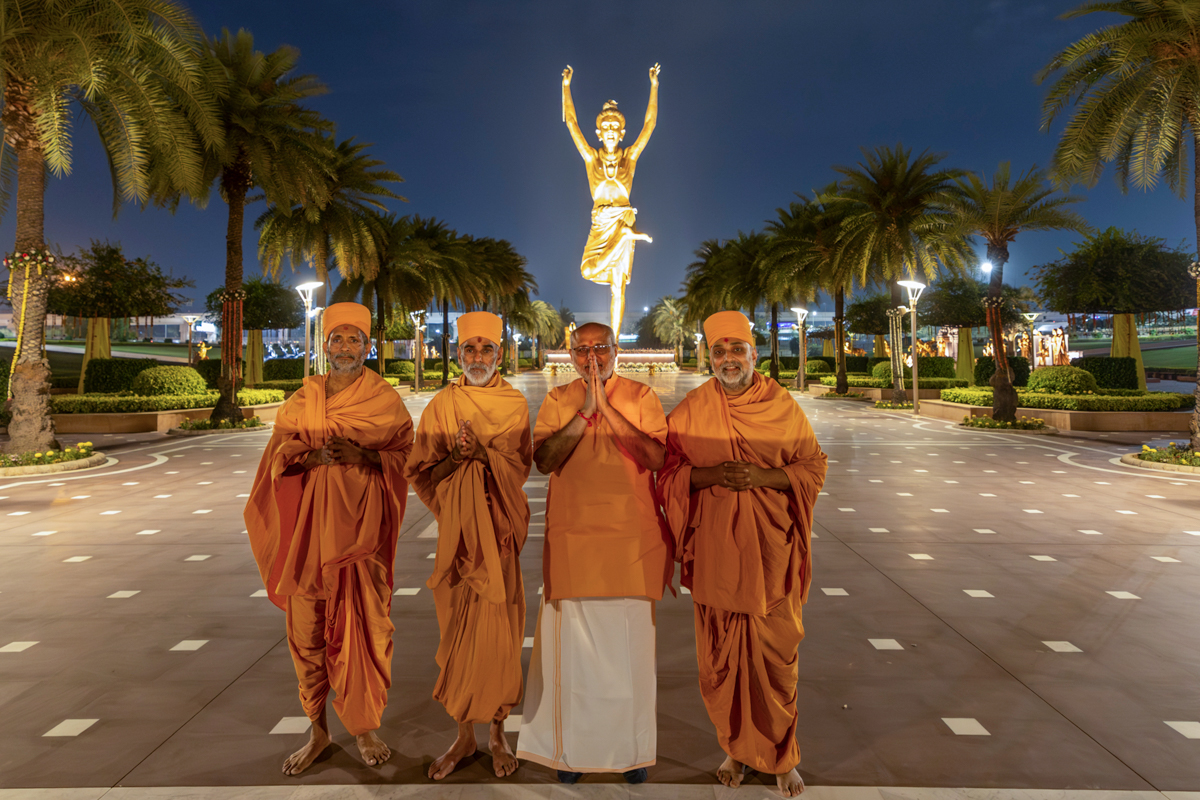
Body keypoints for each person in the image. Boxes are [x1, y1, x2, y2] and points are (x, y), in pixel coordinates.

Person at [657, 310, 827, 798]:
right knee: (722, 660)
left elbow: (813, 466)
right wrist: (710, 477)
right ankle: (735, 749)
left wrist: (762, 478)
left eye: (737, 350)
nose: (728, 359)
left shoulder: (781, 405)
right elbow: (667, 474)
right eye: (719, 351)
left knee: (776, 656)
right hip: (718, 555)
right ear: (708, 356)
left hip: (772, 553)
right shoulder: (691, 408)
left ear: (755, 354)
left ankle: (781, 758)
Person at [244, 302, 413, 776]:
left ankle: (364, 728)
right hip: (307, 539)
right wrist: (306, 457)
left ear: (368, 347)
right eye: (336, 338)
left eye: (354, 339)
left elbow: (407, 456)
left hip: (361, 539)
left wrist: (364, 454)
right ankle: (318, 730)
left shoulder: (384, 399)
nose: (345, 347)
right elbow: (277, 458)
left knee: (363, 632)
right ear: (324, 345)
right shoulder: (304, 398)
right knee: (307, 636)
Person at [516, 321, 670, 784]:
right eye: (581, 350)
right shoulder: (559, 399)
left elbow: (656, 457)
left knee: (632, 661)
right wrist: (585, 411)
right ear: (570, 354)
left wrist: (608, 407)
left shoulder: (641, 397)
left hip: (631, 543)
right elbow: (544, 461)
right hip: (574, 542)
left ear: (615, 350)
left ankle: (632, 753)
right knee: (575, 663)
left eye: (600, 348)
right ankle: (574, 755)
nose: (591, 357)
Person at [404, 312, 532, 781]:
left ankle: (497, 733)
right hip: (458, 540)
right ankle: (463, 734)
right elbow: (424, 473)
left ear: (500, 355)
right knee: (456, 636)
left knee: (499, 636)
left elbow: (518, 470)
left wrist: (483, 455)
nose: (478, 357)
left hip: (498, 538)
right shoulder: (442, 405)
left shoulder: (514, 404)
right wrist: (456, 458)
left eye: (487, 349)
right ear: (457, 355)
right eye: (469, 349)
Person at [561, 63, 659, 332]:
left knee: (619, 285)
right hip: (601, 222)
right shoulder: (591, 158)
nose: (612, 132)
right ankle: (626, 237)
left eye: (616, 128)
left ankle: (614, 342)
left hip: (623, 217)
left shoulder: (629, 158)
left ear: (622, 133)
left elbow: (649, 126)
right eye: (607, 128)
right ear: (599, 133)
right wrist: (566, 87)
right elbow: (571, 124)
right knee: (588, 270)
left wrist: (654, 86)